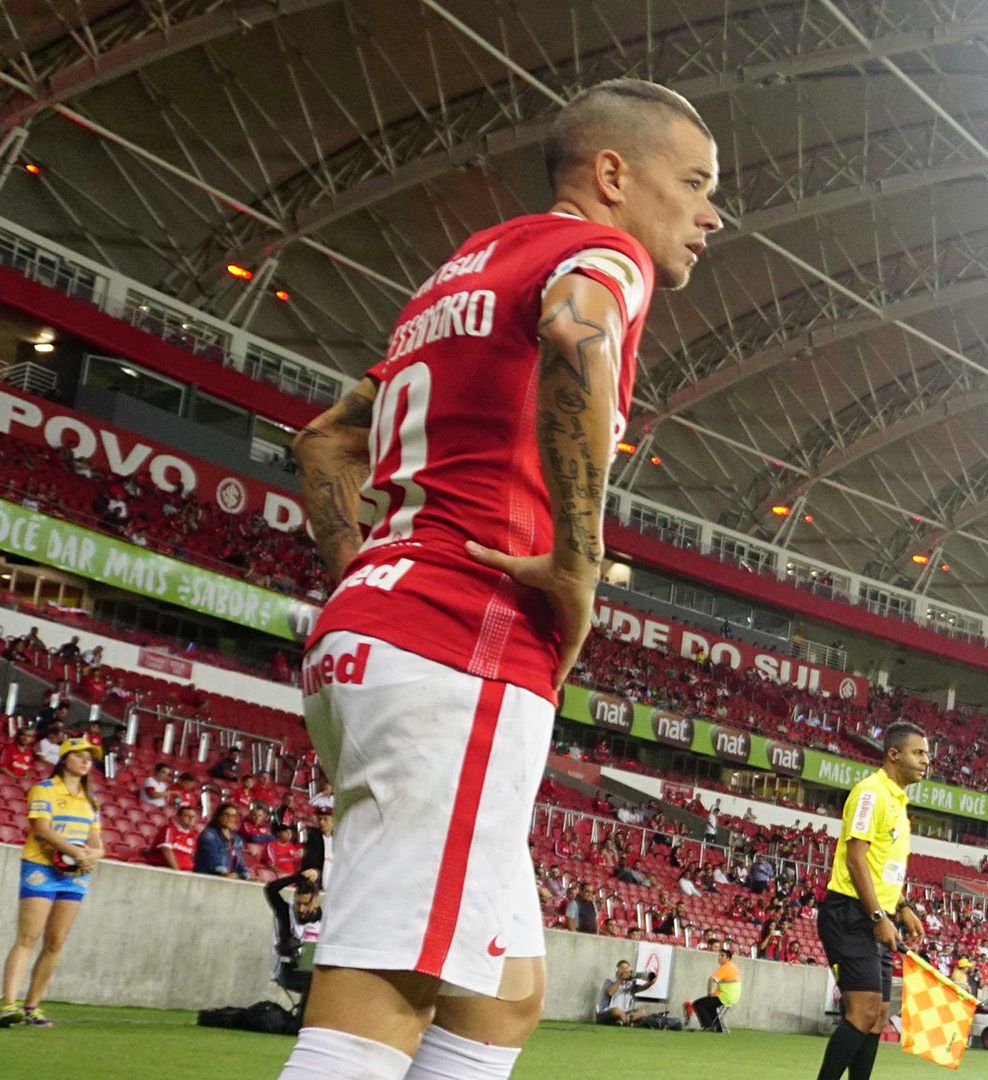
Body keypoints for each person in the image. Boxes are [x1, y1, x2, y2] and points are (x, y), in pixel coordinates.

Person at [275, 76, 722, 1080]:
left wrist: (364, 579)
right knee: (378, 998)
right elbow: (576, 332)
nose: (711, 212)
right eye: (693, 183)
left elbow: (321, 442)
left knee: (506, 991)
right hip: (461, 638)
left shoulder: (457, 280)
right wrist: (579, 559)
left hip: (382, 629)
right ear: (613, 174)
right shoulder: (601, 256)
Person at [813, 721, 929, 1080]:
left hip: (876, 914)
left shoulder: (898, 801)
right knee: (861, 1013)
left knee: (878, 1016)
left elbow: (882, 867)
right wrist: (879, 915)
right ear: (893, 754)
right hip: (851, 912)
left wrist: (903, 906)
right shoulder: (870, 793)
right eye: (919, 753)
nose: (927, 761)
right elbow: (855, 857)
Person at [0, 737, 104, 1027]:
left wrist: (93, 856)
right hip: (41, 866)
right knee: (28, 936)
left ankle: (32, 1006)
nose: (85, 762)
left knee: (56, 941)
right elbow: (41, 829)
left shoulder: (90, 800)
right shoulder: (43, 789)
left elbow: (98, 842)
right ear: (65, 759)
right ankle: (8, 1005)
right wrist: (76, 852)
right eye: (79, 756)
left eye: (88, 758)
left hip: (75, 874)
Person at [266, 871, 324, 999]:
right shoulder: (285, 912)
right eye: (298, 903)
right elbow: (271, 889)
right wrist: (299, 876)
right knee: (316, 983)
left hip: (310, 967)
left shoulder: (322, 919)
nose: (301, 909)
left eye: (306, 904)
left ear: (315, 902)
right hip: (286, 969)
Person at [689, 946, 741, 1032]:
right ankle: (718, 1028)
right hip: (733, 997)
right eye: (719, 955)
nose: (719, 957)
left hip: (724, 996)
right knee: (710, 1006)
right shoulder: (733, 967)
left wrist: (709, 992)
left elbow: (711, 979)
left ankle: (709, 1026)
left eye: (722, 955)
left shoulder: (725, 967)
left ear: (728, 958)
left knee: (698, 1004)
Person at [194, 803, 250, 878]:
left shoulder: (237, 839)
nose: (230, 818)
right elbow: (212, 860)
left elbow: (240, 863)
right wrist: (224, 873)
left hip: (226, 877)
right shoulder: (209, 834)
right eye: (226, 815)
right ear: (219, 816)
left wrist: (245, 875)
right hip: (207, 876)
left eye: (233, 816)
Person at [595, 960, 656, 1025]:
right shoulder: (610, 980)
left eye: (627, 968)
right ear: (617, 970)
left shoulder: (630, 983)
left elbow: (641, 988)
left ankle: (621, 1021)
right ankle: (628, 1022)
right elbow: (610, 992)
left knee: (641, 1011)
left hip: (625, 1012)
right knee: (617, 1011)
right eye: (622, 968)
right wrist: (621, 979)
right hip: (607, 1012)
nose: (625, 971)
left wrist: (650, 983)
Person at [157, 804, 201, 871]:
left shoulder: (194, 835)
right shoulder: (169, 829)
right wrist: (177, 872)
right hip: (168, 870)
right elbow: (166, 849)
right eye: (187, 816)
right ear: (178, 817)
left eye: (193, 816)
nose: (191, 819)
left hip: (187, 872)